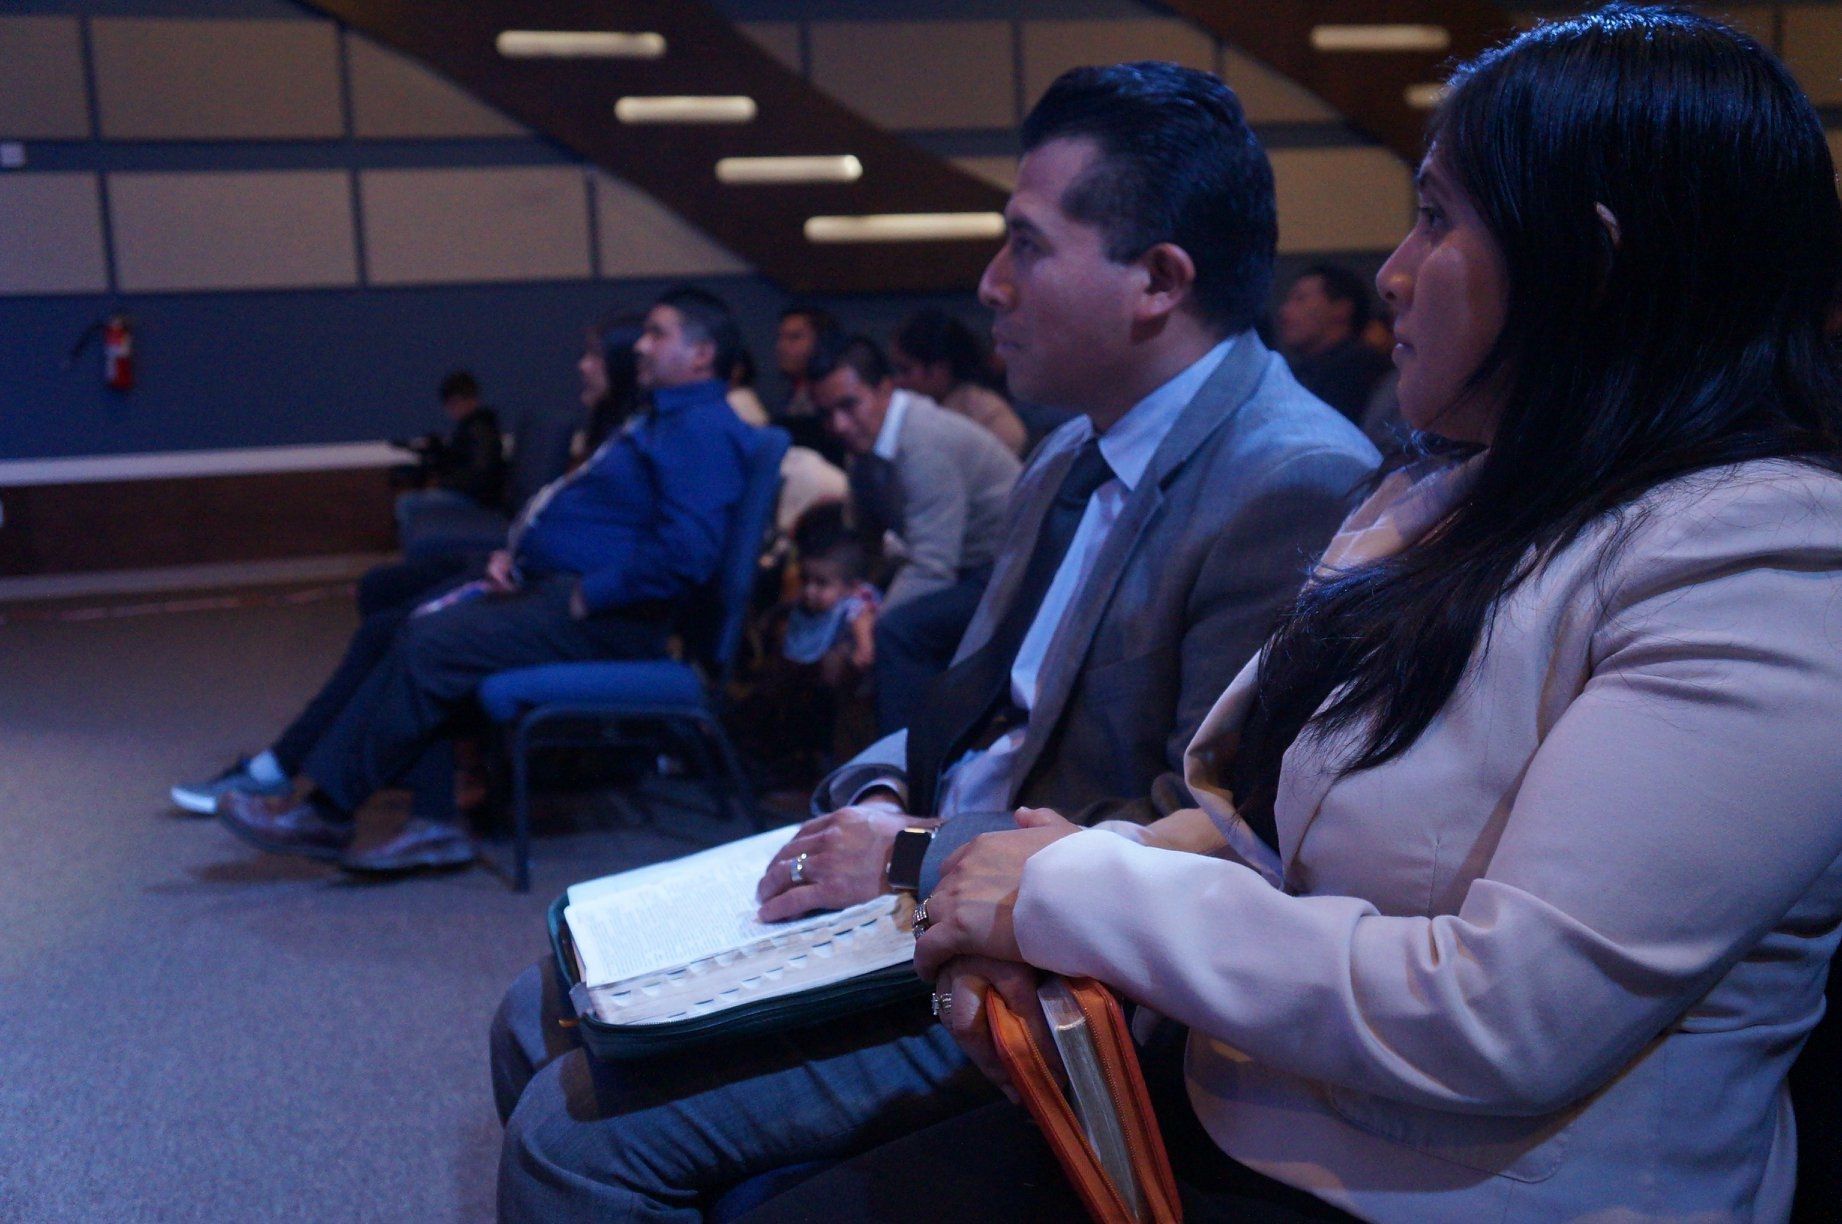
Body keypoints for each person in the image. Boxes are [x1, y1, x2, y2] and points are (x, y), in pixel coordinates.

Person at [765, 9, 1842, 1221]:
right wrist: (1021, 912)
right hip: (1241, 1106)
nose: (1391, 273)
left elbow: (1504, 1017)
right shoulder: (1457, 496)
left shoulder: (1764, 558)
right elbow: (1258, 830)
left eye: (1435, 218)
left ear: (1584, 268)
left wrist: (1065, 896)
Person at [491, 61, 1378, 1219]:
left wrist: (909, 855)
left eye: (1026, 245)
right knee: (537, 1006)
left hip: (1039, 962)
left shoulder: (1294, 481)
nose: (990, 284)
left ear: (1159, 281)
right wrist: (873, 795)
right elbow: (970, 708)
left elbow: (1213, 840)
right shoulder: (1073, 449)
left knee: (568, 1140)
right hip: (920, 882)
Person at [198, 288, 758, 875]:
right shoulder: (666, 420)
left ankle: (331, 813)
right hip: (570, 592)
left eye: (659, 334)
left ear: (702, 355)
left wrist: (589, 592)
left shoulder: (701, 430)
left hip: (609, 617)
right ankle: (417, 821)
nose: (642, 345)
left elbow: (687, 554)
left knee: (432, 641)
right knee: (426, 628)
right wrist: (526, 559)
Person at [812, 332, 1020, 614]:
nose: (839, 425)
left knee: (894, 630)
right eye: (826, 414)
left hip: (1006, 569)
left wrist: (871, 622)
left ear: (885, 389)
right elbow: (865, 539)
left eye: (849, 405)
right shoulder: (864, 445)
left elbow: (932, 567)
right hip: (961, 565)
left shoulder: (924, 440)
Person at [732, 504, 882, 783]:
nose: (810, 590)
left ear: (851, 586)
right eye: (806, 580)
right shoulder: (809, 602)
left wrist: (863, 648)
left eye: (821, 583)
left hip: (844, 690)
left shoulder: (857, 603)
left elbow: (862, 622)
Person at [891, 307, 1028, 455]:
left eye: (905, 370)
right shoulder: (909, 414)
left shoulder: (992, 417)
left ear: (939, 369)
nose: (897, 381)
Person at [390, 370, 508, 538]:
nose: (451, 410)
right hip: (471, 494)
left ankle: (419, 549)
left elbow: (480, 475)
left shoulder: (479, 430)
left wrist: (442, 483)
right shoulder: (473, 426)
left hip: (476, 499)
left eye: (453, 404)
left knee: (406, 504)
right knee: (409, 501)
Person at [1275, 263, 1392, 424]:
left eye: (1300, 299)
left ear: (1341, 309)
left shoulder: (1358, 372)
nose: (1284, 311)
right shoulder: (1304, 371)